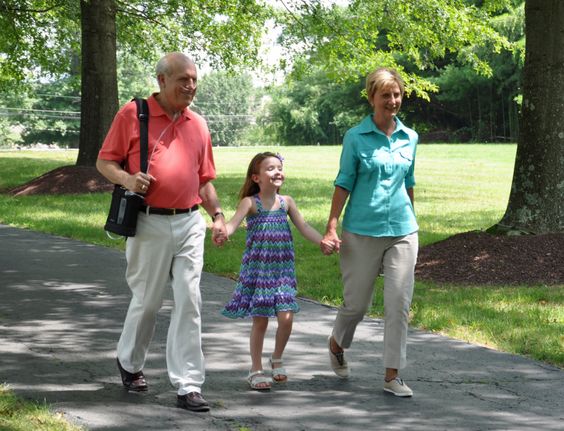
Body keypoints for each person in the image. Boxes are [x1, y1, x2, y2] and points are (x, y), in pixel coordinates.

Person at [96, 52, 227, 412]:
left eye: (194, 79)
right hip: (148, 221)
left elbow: (204, 181)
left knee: (190, 300)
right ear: (162, 81)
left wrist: (216, 215)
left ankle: (188, 384)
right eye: (183, 79)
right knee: (148, 301)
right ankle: (130, 361)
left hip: (189, 223)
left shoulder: (198, 124)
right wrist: (127, 178)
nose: (191, 86)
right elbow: (104, 161)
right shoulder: (133, 114)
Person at [320, 67, 419, 397]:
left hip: (403, 232)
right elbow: (343, 181)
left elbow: (409, 184)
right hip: (361, 231)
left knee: (398, 304)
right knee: (357, 305)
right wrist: (332, 225)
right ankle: (337, 344)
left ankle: (393, 374)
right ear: (371, 98)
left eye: (397, 94)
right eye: (385, 95)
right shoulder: (355, 137)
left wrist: (412, 217)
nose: (392, 100)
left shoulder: (410, 137)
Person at [221, 152, 328, 391]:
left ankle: (277, 357)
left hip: (282, 271)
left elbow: (304, 226)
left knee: (287, 318)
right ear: (256, 177)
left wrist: (322, 241)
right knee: (260, 321)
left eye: (279, 167)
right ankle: (256, 369)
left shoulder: (286, 202)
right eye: (270, 168)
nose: (277, 172)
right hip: (259, 271)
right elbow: (233, 223)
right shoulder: (251, 203)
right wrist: (223, 231)